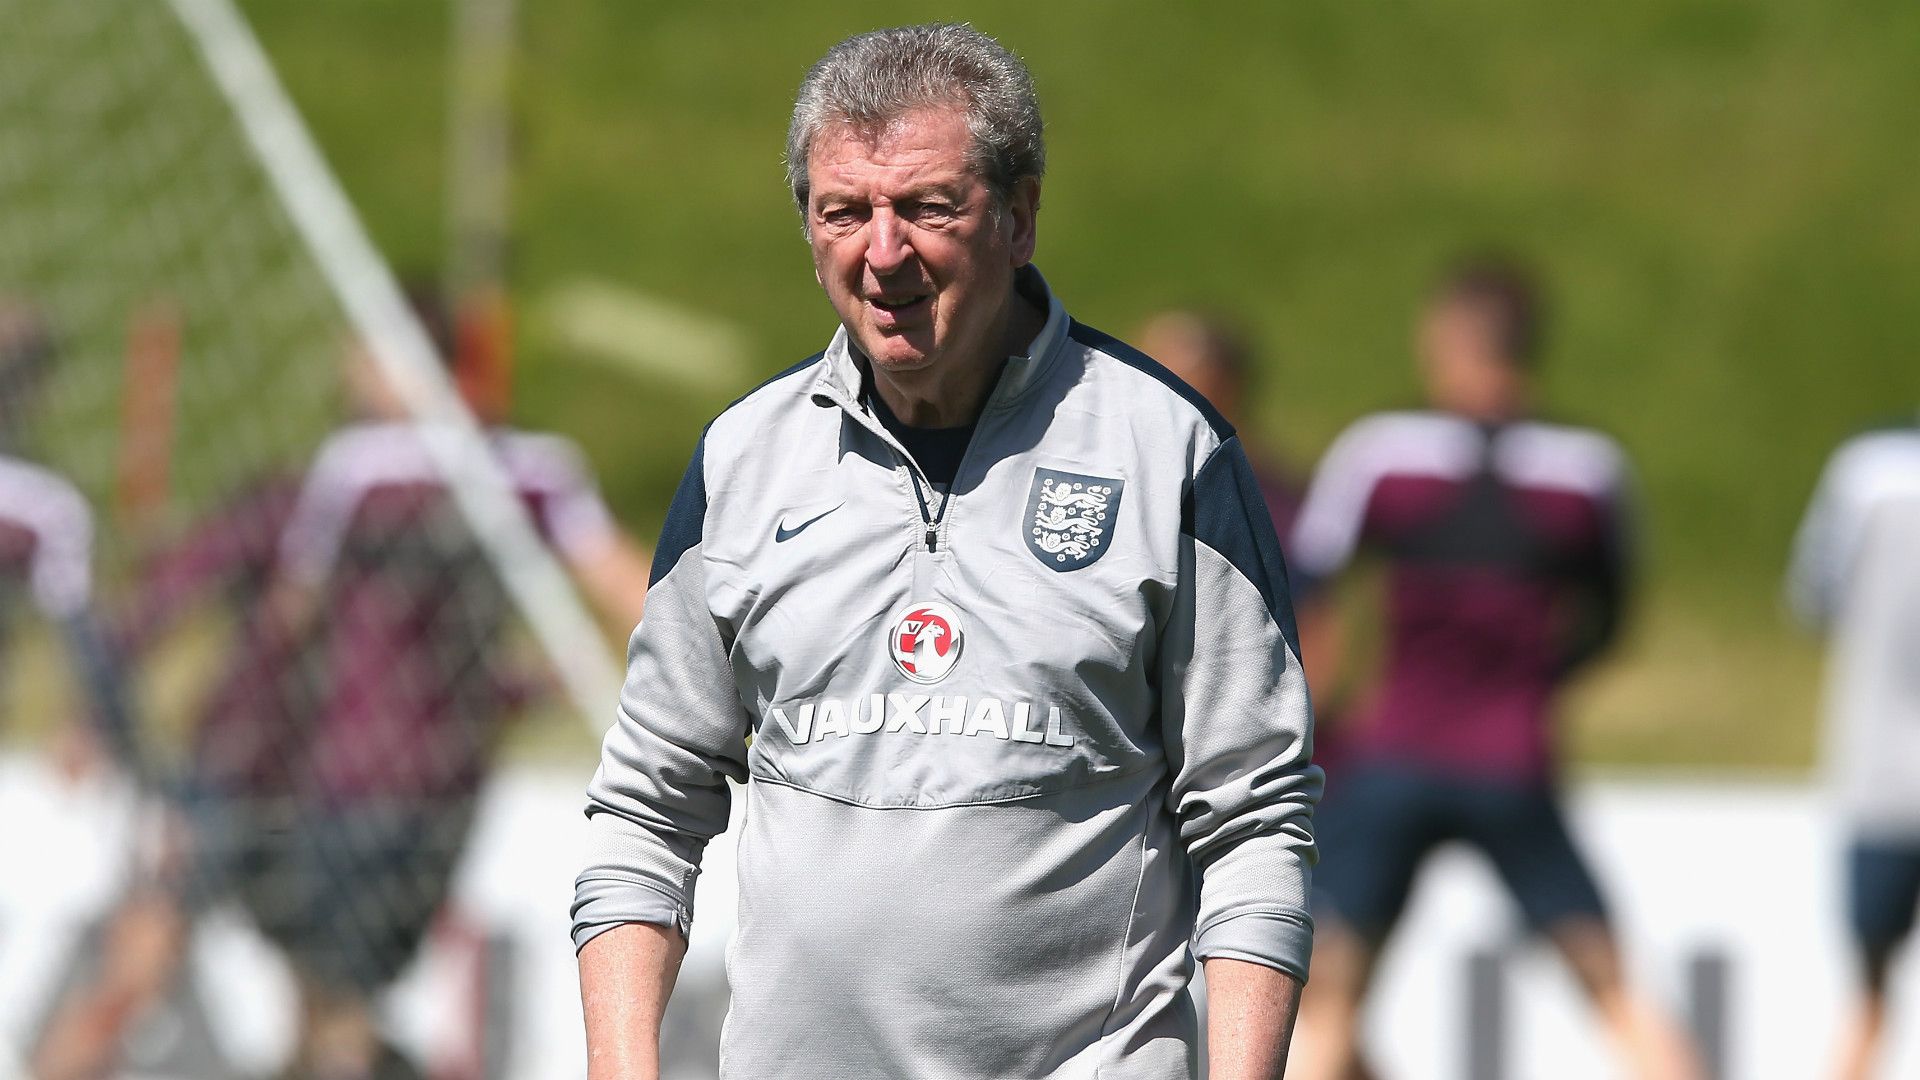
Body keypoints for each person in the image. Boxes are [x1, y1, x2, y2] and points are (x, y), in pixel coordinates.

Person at [573, 23, 1320, 1080]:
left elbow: (1255, 820)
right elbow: (647, 806)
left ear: (1019, 218)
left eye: (928, 207)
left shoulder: (1170, 452)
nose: (884, 254)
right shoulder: (744, 460)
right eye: (845, 212)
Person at [34, 289, 650, 1080]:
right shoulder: (498, 475)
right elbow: (632, 596)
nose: (345, 370)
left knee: (251, 995)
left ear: (397, 360)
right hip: (366, 789)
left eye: (361, 351)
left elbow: (266, 619)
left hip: (308, 784)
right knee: (303, 1005)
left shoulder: (356, 476)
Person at [1284, 259, 1697, 1080]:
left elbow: (1313, 602)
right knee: (1613, 988)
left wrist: (1314, 719)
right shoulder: (1586, 469)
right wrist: (1541, 677)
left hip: (1396, 753)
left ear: (1444, 342)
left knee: (1332, 999)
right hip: (1513, 758)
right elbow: (1609, 617)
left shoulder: (1384, 453)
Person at [1786, 421, 1920, 1080]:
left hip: (1881, 781)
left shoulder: (1864, 474)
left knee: (1867, 997)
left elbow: (1814, 598)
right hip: (1881, 782)